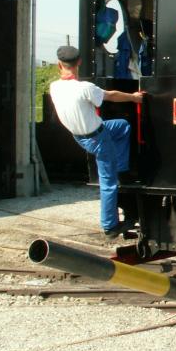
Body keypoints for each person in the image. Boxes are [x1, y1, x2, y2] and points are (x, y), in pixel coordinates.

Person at [49, 45, 144, 239]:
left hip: (81, 136)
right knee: (108, 183)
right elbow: (111, 96)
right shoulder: (85, 88)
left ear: (60, 65)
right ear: (79, 63)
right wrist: (134, 98)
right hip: (97, 138)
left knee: (123, 126)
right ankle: (110, 226)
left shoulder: (55, 87)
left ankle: (122, 170)